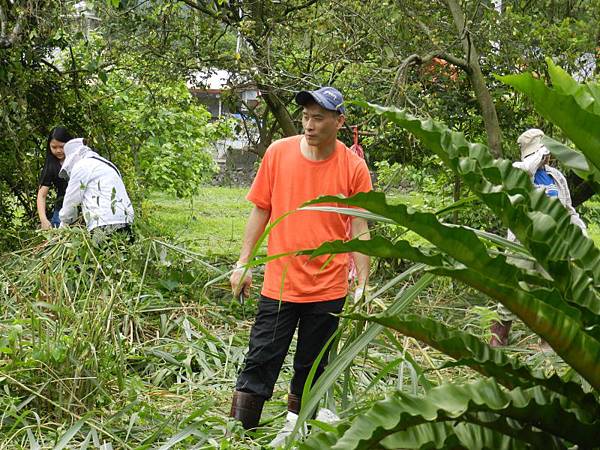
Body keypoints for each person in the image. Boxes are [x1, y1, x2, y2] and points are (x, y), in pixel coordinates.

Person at [229, 87, 372, 443]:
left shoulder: (353, 167)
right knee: (262, 354)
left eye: (318, 118)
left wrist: (363, 284)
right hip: (280, 282)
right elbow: (261, 208)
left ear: (338, 122)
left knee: (312, 364)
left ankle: (296, 426)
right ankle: (239, 430)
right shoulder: (278, 153)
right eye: (305, 117)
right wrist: (243, 262)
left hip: (328, 285)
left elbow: (359, 227)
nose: (309, 124)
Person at [489, 128, 587, 347]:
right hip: (523, 242)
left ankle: (547, 342)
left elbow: (568, 210)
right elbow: (524, 171)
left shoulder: (556, 176)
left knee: (551, 291)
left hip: (552, 243)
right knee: (514, 288)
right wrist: (538, 154)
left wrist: (580, 231)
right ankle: (499, 336)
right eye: (543, 151)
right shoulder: (518, 170)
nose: (547, 155)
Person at [58, 138, 134, 240]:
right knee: (123, 252)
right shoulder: (103, 164)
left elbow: (71, 201)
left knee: (104, 254)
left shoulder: (82, 166)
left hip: (103, 222)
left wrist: (64, 224)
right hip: (125, 219)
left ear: (73, 157)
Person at [37, 127, 74, 229]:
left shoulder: (79, 159)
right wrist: (43, 220)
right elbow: (42, 195)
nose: (58, 151)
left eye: (62, 147)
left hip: (84, 205)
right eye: (54, 147)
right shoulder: (51, 165)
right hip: (61, 208)